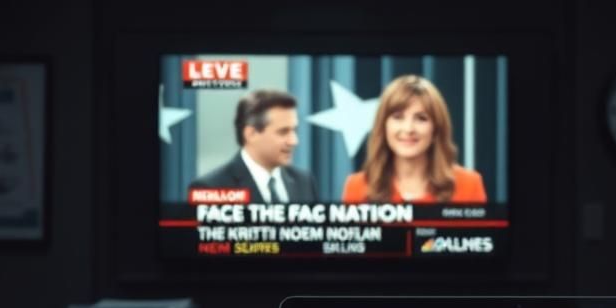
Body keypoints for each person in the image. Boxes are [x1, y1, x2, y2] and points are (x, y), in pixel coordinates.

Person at [341, 75, 487, 203]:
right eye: (398, 117)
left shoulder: (469, 185)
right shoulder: (357, 187)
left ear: (436, 129)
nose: (408, 129)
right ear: (383, 126)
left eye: (421, 119)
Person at [189, 89, 317, 203]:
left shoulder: (304, 182)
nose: (294, 141)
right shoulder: (210, 189)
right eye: (283, 132)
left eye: (294, 130)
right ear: (251, 134)